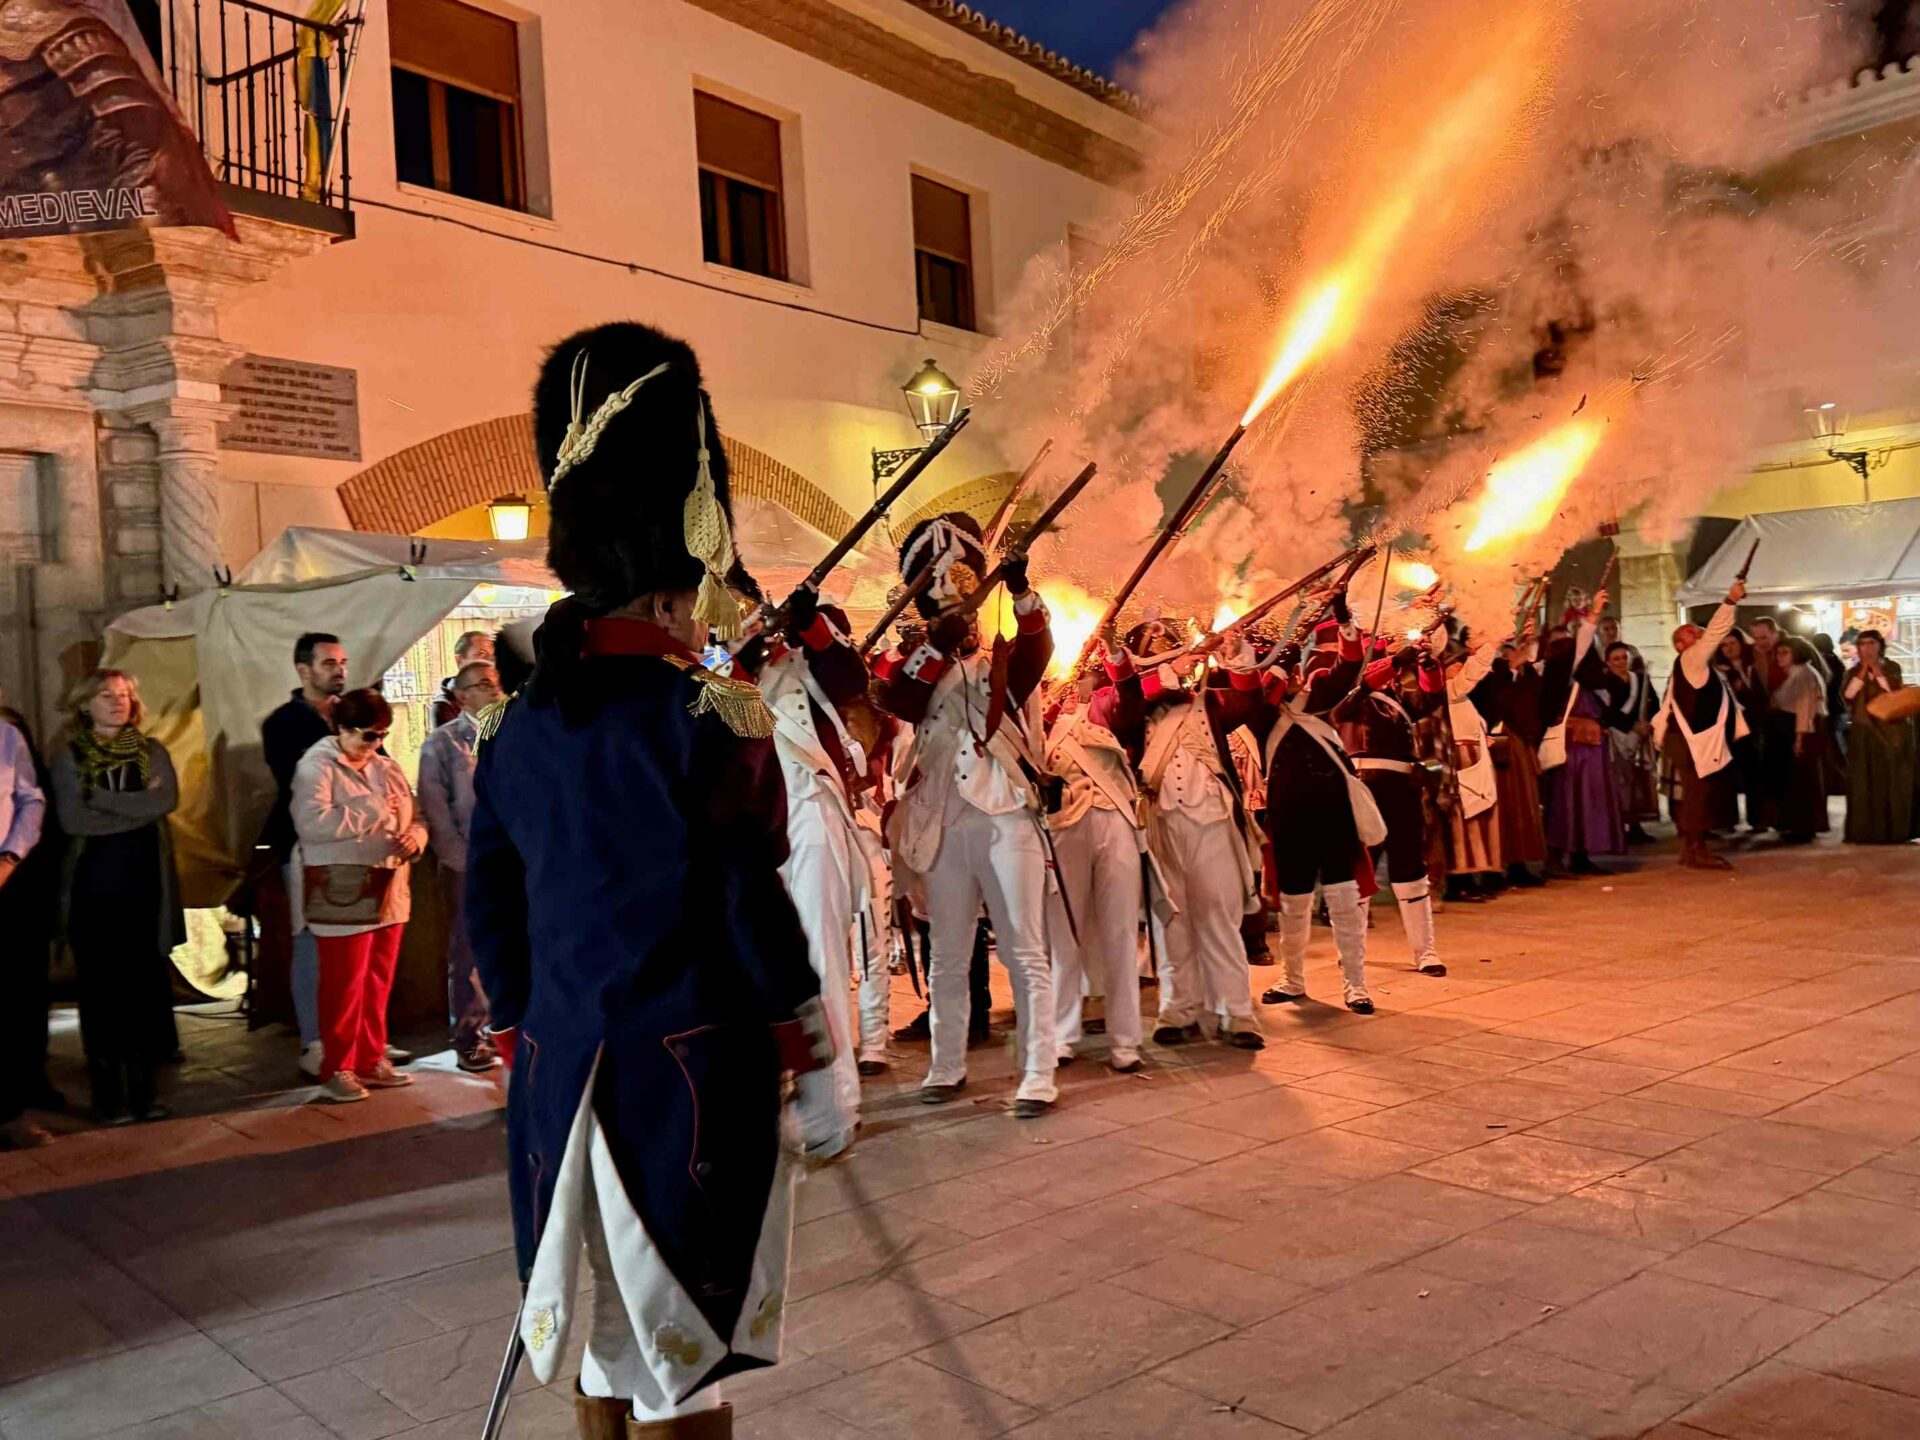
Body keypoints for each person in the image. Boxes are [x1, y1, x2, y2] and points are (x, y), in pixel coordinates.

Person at [468, 322, 827, 1438]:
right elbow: (745, 869)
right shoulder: (701, 713)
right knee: (682, 1357)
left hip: (559, 1064)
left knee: (601, 1344)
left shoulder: (515, 728)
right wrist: (801, 1026)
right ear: (680, 579)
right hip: (685, 1064)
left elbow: (491, 905)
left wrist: (527, 1023)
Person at [874, 512, 1060, 1114]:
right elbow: (901, 700)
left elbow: (1038, 645)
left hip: (1006, 814)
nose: (965, 617)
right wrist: (935, 643)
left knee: (1023, 949)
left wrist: (1021, 587)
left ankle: (1038, 1072)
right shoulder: (914, 664)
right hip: (944, 819)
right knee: (948, 953)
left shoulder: (1000, 664)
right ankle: (946, 1065)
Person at [1099, 621, 1266, 1050]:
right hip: (1160, 821)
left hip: (1211, 818)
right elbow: (1121, 709)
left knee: (1219, 916)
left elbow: (1247, 702)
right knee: (1170, 920)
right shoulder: (1134, 704)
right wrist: (1160, 672)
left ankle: (1236, 1011)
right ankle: (1178, 1008)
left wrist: (1240, 657)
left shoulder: (1207, 703)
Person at [756, 589, 873, 1154]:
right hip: (745, 831)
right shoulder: (719, 664)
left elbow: (850, 677)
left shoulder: (808, 656)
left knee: (822, 962)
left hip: (807, 813)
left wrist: (808, 625)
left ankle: (838, 1101)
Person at [49, 670, 184, 1124]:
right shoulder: (68, 757)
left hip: (145, 887)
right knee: (102, 993)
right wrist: (133, 808)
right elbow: (73, 820)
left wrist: (101, 798)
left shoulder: (151, 752)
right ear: (85, 704)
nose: (117, 702)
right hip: (93, 889)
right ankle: (108, 1096)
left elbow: (164, 802)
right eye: (106, 695)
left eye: (124, 694)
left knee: (144, 991)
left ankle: (145, 1094)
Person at [291, 687, 426, 1103]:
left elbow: (416, 813)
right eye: (368, 735)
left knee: (378, 980)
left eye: (383, 734)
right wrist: (372, 810)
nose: (376, 744)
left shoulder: (386, 766)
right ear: (343, 729)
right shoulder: (317, 766)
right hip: (343, 889)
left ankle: (371, 1057)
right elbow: (312, 823)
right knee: (343, 984)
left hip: (390, 886)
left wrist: (416, 839)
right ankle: (339, 1066)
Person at [1258, 605, 1376, 1013]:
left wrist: (1344, 619)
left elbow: (1349, 665)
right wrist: (1274, 666)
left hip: (1332, 814)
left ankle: (1355, 984)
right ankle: (1292, 978)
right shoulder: (1260, 713)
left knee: (1344, 899)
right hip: (1288, 819)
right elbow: (1255, 696)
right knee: (1292, 901)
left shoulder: (1319, 694)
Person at [1043, 642, 1147, 1072]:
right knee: (1063, 935)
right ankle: (1062, 1035)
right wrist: (1046, 706)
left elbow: (1131, 705)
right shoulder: (1037, 706)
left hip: (1114, 816)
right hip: (1062, 822)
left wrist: (1117, 658)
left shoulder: (1102, 700)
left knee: (1120, 933)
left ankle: (1126, 1041)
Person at [1335, 628, 1449, 977]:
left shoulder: (1399, 699)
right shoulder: (1348, 695)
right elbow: (1346, 704)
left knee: (1411, 869)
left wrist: (1429, 664)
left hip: (1402, 790)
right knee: (1361, 873)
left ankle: (1425, 952)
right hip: (1363, 788)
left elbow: (1430, 699)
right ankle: (1351, 950)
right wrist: (1392, 663)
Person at [263, 632, 347, 1078]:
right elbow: (304, 781)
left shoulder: (354, 714)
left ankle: (358, 1037)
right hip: (307, 846)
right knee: (311, 943)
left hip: (354, 847)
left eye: (342, 662)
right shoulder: (282, 723)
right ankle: (315, 1041)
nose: (339, 670)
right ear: (303, 670)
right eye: (329, 662)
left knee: (356, 945)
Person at [417, 659, 502, 1072]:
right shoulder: (443, 744)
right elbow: (436, 810)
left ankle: (506, 1026)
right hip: (468, 864)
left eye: (496, 682)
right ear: (462, 695)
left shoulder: (510, 732)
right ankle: (470, 1035)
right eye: (484, 685)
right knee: (468, 951)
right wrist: (460, 860)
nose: (494, 690)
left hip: (513, 861)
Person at [1653, 579, 1749, 870]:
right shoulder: (1692, 659)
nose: (1699, 632)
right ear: (1683, 645)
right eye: (1691, 632)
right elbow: (1716, 633)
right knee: (1696, 795)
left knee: (1697, 794)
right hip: (1689, 741)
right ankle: (1695, 849)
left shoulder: (1693, 665)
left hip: (1690, 740)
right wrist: (1730, 600)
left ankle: (1692, 848)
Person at [0, 700, 54, 1149]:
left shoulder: (7, 736)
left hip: (7, 880)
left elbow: (30, 799)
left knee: (12, 998)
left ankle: (11, 1111)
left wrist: (11, 856)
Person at [1540, 598, 1625, 874]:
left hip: (1591, 750)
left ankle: (1581, 855)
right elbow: (1580, 645)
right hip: (1572, 749)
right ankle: (1556, 855)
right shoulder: (1562, 675)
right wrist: (1593, 615)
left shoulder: (1590, 682)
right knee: (1566, 802)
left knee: (1588, 803)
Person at [1476, 634, 1549, 888]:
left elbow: (1536, 699)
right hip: (1496, 746)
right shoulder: (1488, 673)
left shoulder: (1526, 675)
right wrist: (1508, 669)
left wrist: (1521, 665)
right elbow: (1489, 701)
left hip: (1520, 744)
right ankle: (1492, 870)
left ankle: (1518, 864)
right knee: (1498, 810)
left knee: (1522, 807)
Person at [1440, 627, 1502, 900]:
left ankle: (1470, 878)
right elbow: (1471, 674)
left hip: (1470, 760)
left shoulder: (1458, 695)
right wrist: (1492, 645)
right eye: (1452, 663)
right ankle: (1457, 882)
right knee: (1460, 824)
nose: (1458, 666)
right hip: (1457, 761)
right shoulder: (1448, 690)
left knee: (1474, 822)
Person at [1843, 628, 1916, 844]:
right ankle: (1865, 831)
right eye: (1863, 644)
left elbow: (1893, 694)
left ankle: (1892, 830)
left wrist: (1878, 673)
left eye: (1871, 644)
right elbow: (1848, 694)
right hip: (1863, 733)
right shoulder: (1853, 671)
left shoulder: (1892, 667)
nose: (1867, 648)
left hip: (1889, 733)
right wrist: (1864, 672)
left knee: (1889, 781)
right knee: (1863, 782)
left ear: (1880, 646)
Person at [1768, 637, 1831, 844]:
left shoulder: (1804, 675)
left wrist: (1800, 737)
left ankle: (1803, 826)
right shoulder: (1797, 674)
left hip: (1802, 729)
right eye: (1778, 653)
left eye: (1785, 653)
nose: (1780, 657)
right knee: (1797, 781)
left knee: (1803, 781)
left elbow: (1805, 709)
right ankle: (1797, 824)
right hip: (1794, 727)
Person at [1599, 641, 1659, 844]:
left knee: (1639, 781)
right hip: (1618, 737)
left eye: (1624, 657)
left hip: (1641, 736)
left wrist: (1648, 723)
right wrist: (1632, 725)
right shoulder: (1604, 683)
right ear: (1608, 662)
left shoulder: (1640, 679)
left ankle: (1636, 825)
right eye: (1616, 659)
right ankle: (1620, 825)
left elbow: (1654, 703)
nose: (1621, 662)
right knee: (1622, 782)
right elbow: (1607, 713)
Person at [1713, 627, 1770, 832]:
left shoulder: (1754, 665)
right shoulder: (1718, 670)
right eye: (1724, 645)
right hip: (1728, 730)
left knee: (1754, 774)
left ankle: (1757, 819)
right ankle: (1728, 820)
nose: (1728, 649)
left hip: (1753, 727)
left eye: (1732, 644)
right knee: (1727, 776)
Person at [432, 631, 496, 727]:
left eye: (493, 655)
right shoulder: (447, 706)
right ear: (460, 660)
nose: (491, 660)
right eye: (482, 654)